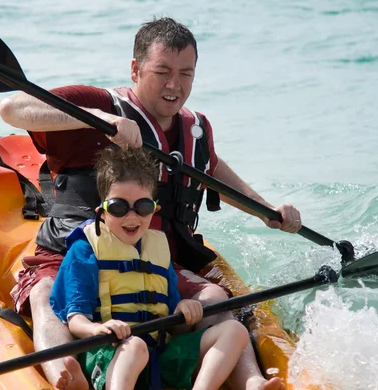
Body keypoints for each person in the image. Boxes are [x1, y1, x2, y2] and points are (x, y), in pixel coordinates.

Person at [0, 17, 299, 390]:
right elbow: (13, 108)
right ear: (135, 69)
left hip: (157, 262)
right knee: (45, 294)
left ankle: (252, 383)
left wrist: (266, 210)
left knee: (217, 299)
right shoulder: (102, 103)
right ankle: (64, 374)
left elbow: (211, 169)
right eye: (162, 72)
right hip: (71, 253)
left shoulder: (194, 129)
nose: (175, 85)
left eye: (186, 73)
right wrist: (100, 121)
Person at [50, 146, 249, 390]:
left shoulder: (157, 248)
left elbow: (174, 324)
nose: (131, 216)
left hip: (158, 355)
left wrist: (184, 309)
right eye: (118, 207)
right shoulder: (85, 249)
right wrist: (98, 328)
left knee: (234, 330)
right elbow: (75, 320)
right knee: (134, 346)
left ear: (154, 209)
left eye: (142, 206)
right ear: (101, 211)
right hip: (110, 352)